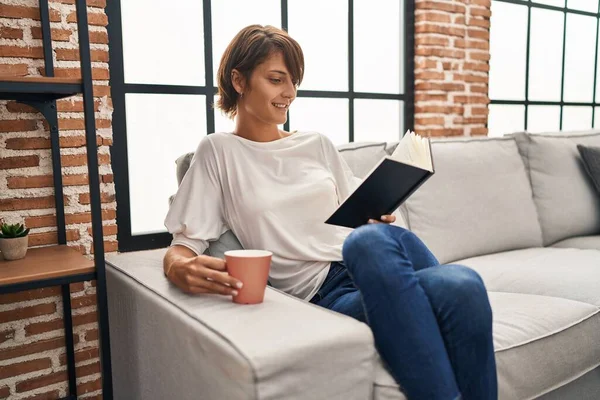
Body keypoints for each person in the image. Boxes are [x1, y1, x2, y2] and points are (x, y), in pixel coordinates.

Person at [163, 24, 497, 400]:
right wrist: (178, 267)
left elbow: (363, 213)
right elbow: (184, 243)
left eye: (294, 82)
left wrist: (381, 214)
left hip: (382, 259)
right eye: (276, 80)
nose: (289, 93)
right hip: (327, 293)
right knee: (461, 286)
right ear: (239, 80)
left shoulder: (316, 144)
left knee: (384, 245)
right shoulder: (218, 152)